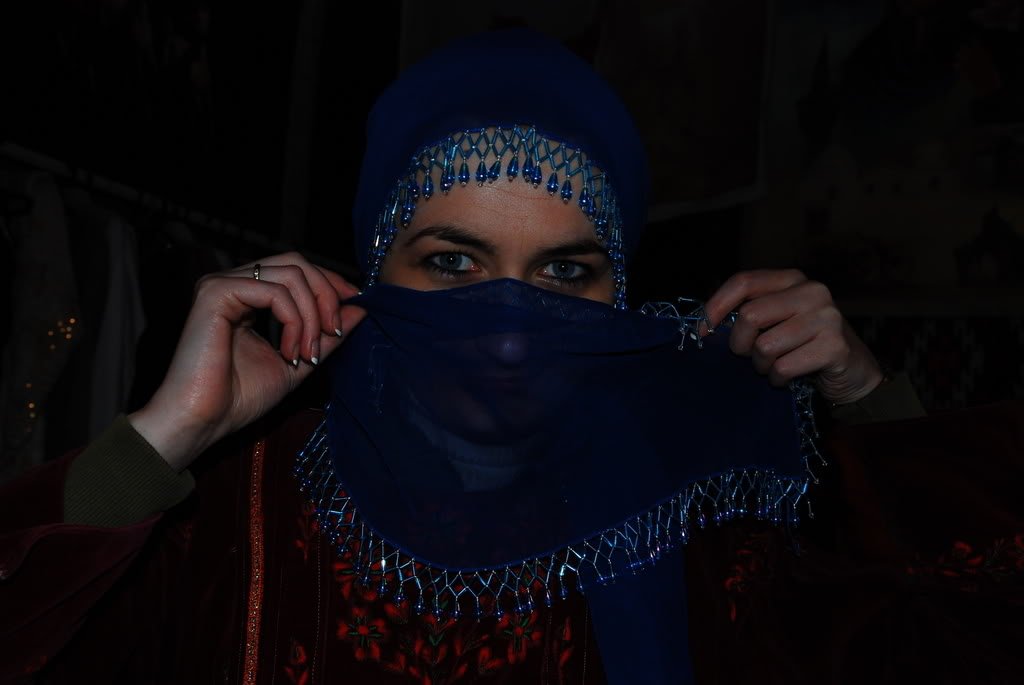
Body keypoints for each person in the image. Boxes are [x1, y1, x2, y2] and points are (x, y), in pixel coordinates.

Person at [2, 28, 1021, 685]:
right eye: (453, 263)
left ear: (620, 296)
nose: (505, 333)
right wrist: (162, 440)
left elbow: (958, 631)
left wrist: (865, 397)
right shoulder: (237, 517)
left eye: (565, 273)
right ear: (371, 271)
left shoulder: (699, 529)